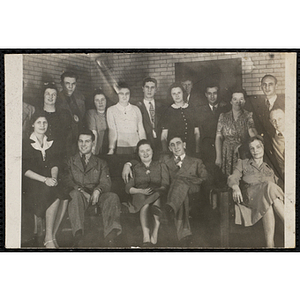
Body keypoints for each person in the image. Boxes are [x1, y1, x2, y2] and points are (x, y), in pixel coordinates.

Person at [62, 129, 122, 247]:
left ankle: (111, 237)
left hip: (97, 195)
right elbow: (67, 180)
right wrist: (80, 190)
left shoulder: (101, 163)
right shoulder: (70, 161)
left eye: (87, 141)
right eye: (81, 141)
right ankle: (78, 236)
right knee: (74, 195)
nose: (83, 144)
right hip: (79, 195)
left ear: (93, 143)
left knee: (112, 197)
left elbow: (106, 182)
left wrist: (97, 190)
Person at [228, 136, 284, 248]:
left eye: (258, 147)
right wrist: (235, 187)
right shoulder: (242, 163)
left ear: (263, 148)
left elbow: (280, 186)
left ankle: (270, 245)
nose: (255, 151)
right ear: (249, 151)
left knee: (268, 199)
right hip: (251, 198)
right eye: (252, 148)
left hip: (266, 199)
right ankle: (291, 223)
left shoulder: (270, 168)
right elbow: (233, 177)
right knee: (269, 186)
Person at [22, 112, 68, 248]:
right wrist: (45, 180)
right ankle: (48, 239)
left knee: (64, 194)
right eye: (39, 122)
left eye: (45, 123)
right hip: (33, 181)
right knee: (53, 192)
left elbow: (55, 163)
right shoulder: (26, 142)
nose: (42, 125)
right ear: (32, 124)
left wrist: (53, 178)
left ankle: (52, 235)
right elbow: (24, 169)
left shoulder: (51, 142)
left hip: (48, 180)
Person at [163, 136, 208, 245]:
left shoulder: (196, 161)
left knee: (181, 180)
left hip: (193, 188)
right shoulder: (165, 161)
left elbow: (204, 177)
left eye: (178, 143)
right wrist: (128, 163)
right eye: (172, 145)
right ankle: (184, 233)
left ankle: (169, 208)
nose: (176, 147)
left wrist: (190, 181)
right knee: (182, 196)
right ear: (169, 148)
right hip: (176, 193)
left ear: (184, 145)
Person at [125, 140, 169, 246]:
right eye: (142, 151)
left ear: (152, 151)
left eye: (148, 150)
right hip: (139, 195)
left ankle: (151, 233)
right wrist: (140, 190)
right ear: (138, 154)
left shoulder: (160, 165)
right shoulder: (135, 168)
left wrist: (157, 191)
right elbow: (128, 188)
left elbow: (165, 185)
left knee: (155, 198)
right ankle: (149, 233)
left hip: (157, 193)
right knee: (145, 201)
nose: (145, 154)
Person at [248, 74, 285, 181]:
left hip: (282, 146)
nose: (267, 87)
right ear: (261, 87)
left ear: (276, 86)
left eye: (270, 84)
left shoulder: (285, 103)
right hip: (267, 149)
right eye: (264, 85)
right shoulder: (259, 105)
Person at [215, 89, 257, 177]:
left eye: (241, 99)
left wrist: (255, 139)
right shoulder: (223, 116)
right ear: (230, 101)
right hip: (226, 153)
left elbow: (251, 130)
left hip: (242, 152)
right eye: (235, 99)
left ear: (244, 101)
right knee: (229, 180)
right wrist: (218, 156)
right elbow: (218, 136)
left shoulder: (248, 115)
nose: (238, 102)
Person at [198, 84, 229, 187]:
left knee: (223, 177)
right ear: (206, 95)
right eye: (209, 94)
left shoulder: (225, 109)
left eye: (214, 93)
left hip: (222, 147)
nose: (212, 96)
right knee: (209, 178)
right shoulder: (200, 110)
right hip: (207, 149)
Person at [106, 82, 146, 155]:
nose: (124, 96)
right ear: (117, 95)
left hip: (136, 146)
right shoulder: (111, 110)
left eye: (127, 93)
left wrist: (144, 146)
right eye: (121, 94)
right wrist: (111, 148)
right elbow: (112, 131)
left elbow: (141, 129)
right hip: (121, 147)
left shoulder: (136, 109)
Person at [161, 83, 200, 156]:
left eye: (179, 92)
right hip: (175, 150)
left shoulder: (192, 109)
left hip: (191, 148)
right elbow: (164, 135)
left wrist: (197, 150)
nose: (177, 95)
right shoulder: (167, 111)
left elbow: (196, 132)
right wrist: (165, 152)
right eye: (174, 94)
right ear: (171, 96)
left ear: (183, 93)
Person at [37, 81, 72, 159]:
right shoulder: (37, 114)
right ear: (43, 95)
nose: (50, 97)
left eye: (54, 94)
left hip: (59, 154)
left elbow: (68, 137)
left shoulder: (64, 114)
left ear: (57, 97)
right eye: (48, 94)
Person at [57, 71, 86, 156]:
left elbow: (83, 119)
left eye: (73, 84)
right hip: (63, 141)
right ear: (62, 84)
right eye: (67, 83)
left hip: (78, 141)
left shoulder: (80, 98)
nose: (70, 87)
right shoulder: (56, 99)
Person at [136, 77, 165, 153]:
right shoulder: (137, 107)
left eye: (152, 87)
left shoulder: (162, 106)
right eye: (147, 87)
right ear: (143, 89)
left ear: (156, 90)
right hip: (145, 143)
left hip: (160, 143)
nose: (149, 90)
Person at [85, 89, 111, 156]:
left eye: (102, 99)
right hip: (98, 146)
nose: (100, 102)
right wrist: (93, 149)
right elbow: (94, 133)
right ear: (93, 102)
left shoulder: (111, 112)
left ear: (106, 100)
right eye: (97, 100)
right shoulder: (91, 113)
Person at [269, 108, 285, 180]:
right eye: (274, 120)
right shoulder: (272, 140)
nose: (277, 123)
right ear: (270, 122)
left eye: (280, 119)